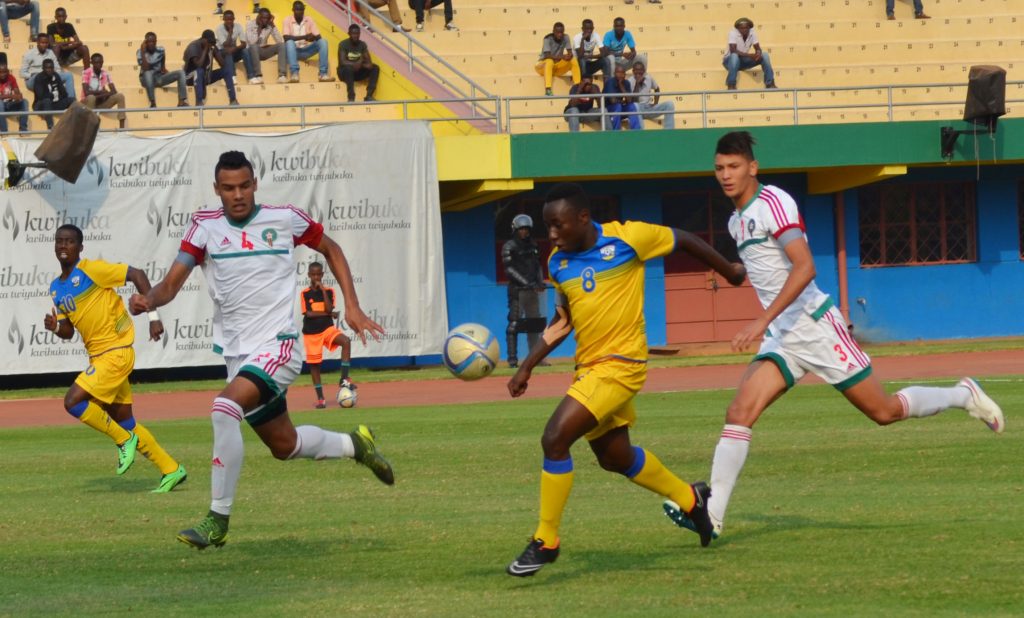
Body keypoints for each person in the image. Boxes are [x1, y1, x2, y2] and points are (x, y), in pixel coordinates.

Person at [668, 131, 1005, 542]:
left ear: (752, 168)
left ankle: (962, 394)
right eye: (719, 168)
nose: (726, 175)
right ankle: (712, 516)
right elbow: (755, 272)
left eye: (734, 167)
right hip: (784, 336)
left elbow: (805, 267)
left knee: (884, 412)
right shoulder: (735, 220)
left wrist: (760, 322)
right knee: (739, 413)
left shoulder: (774, 202)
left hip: (815, 327)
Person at [129, 151, 394, 549]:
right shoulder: (204, 227)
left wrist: (351, 305)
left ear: (255, 183)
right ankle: (356, 445)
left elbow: (332, 249)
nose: (238, 195)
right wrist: (150, 300)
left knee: (223, 409)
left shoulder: (285, 218)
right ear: (216, 190)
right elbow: (171, 284)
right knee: (284, 446)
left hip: (281, 345)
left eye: (244, 186)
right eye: (229, 188)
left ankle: (217, 520)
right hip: (239, 355)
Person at [505, 183, 747, 577]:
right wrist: (527, 365)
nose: (551, 234)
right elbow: (563, 321)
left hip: (621, 365)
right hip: (590, 368)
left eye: (557, 225)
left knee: (554, 439)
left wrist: (731, 271)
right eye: (547, 226)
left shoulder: (627, 237)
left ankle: (546, 540)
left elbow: (683, 239)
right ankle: (691, 500)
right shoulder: (558, 263)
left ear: (582, 218)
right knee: (614, 457)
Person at [45, 225, 188, 493]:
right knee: (126, 421)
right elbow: (68, 332)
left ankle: (124, 442)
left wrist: (153, 317)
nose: (63, 246)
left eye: (70, 242)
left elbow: (137, 274)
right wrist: (54, 326)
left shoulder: (91, 270)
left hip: (116, 352)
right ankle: (171, 468)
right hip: (100, 356)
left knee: (72, 401)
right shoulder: (56, 288)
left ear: (80, 248)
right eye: (59, 241)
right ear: (54, 246)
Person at [300, 262, 355, 409]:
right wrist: (330, 314)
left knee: (346, 341)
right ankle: (321, 399)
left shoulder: (329, 291)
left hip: (327, 329)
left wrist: (323, 290)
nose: (316, 277)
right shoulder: (305, 293)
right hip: (311, 333)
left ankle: (344, 378)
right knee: (314, 366)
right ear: (309, 275)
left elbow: (329, 307)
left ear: (322, 275)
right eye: (313, 274)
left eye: (319, 274)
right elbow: (309, 314)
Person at [501, 214, 545, 368]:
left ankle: (535, 358)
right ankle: (512, 360)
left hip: (532, 291)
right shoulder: (509, 246)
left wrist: (539, 281)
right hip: (517, 290)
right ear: (515, 229)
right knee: (514, 324)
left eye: (526, 229)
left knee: (535, 324)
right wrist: (526, 283)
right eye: (521, 229)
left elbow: (538, 265)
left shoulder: (533, 245)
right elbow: (509, 269)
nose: (524, 232)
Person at [183, 29, 239, 106]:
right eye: (209, 42)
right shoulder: (193, 46)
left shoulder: (211, 47)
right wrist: (206, 49)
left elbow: (223, 64)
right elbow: (198, 65)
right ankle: (199, 102)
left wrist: (216, 51)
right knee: (199, 71)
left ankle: (233, 100)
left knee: (227, 70)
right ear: (203, 39)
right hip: (191, 79)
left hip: (205, 77)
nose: (210, 44)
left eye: (212, 42)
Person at [282, 1, 333, 83]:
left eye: (301, 9)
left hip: (307, 50)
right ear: (293, 10)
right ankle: (294, 74)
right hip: (294, 51)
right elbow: (286, 38)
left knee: (323, 42)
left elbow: (319, 37)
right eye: (297, 9)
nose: (299, 12)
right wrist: (305, 37)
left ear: (304, 10)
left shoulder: (309, 19)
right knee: (289, 43)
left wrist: (312, 38)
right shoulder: (287, 20)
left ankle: (323, 74)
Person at [138, 32, 189, 108]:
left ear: (156, 41)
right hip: (146, 80)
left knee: (181, 72)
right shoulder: (140, 52)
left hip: (159, 78)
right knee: (148, 73)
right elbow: (146, 68)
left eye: (153, 41)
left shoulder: (161, 50)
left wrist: (169, 75)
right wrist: (143, 51)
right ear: (145, 42)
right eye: (149, 42)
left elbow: (163, 68)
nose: (151, 43)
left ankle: (181, 101)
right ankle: (152, 102)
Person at [722, 18, 775, 90]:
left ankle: (770, 83)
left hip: (743, 61)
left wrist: (758, 53)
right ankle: (731, 84)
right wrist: (750, 55)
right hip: (729, 62)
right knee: (734, 56)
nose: (744, 30)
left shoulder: (752, 33)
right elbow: (733, 50)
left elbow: (758, 48)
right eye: (742, 28)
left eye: (746, 28)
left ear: (749, 28)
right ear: (738, 28)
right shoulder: (733, 33)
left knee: (764, 55)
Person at [19, 33, 75, 98]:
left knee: (68, 75)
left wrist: (55, 76)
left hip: (49, 77)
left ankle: (71, 100)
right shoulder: (29, 54)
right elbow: (22, 73)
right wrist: (31, 75)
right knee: (39, 76)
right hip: (34, 79)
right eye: (42, 43)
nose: (44, 45)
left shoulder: (50, 53)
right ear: (37, 42)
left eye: (46, 43)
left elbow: (57, 68)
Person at [81, 53, 126, 129]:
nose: (98, 65)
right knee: (91, 97)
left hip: (101, 102)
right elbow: (86, 92)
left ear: (102, 62)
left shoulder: (105, 73)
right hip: (87, 103)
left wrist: (103, 95)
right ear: (92, 63)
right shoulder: (86, 72)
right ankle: (91, 129)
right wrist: (102, 92)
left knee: (120, 96)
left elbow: (114, 91)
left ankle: (122, 129)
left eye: (100, 62)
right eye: (96, 63)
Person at [535, 22, 579, 97]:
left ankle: (578, 86)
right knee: (549, 61)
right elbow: (547, 55)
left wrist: (569, 56)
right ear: (553, 32)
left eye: (561, 32)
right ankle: (548, 89)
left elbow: (570, 52)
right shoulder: (547, 39)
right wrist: (562, 57)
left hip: (556, 68)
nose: (560, 34)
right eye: (557, 32)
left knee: (573, 60)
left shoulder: (566, 37)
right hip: (542, 66)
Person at [336, 23, 379, 102]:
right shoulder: (343, 44)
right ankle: (351, 97)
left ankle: (369, 95)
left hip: (357, 71)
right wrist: (356, 64)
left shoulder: (362, 45)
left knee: (375, 68)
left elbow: (369, 64)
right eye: (353, 33)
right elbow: (342, 62)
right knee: (348, 69)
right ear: (349, 34)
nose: (355, 36)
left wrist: (360, 64)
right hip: (344, 73)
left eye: (357, 33)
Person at [245, 8, 288, 84]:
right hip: (252, 52)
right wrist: (259, 29)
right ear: (259, 17)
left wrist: (273, 25)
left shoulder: (269, 25)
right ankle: (258, 75)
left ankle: (282, 75)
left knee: (282, 45)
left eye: (267, 18)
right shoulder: (250, 24)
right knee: (254, 47)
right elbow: (252, 42)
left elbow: (280, 40)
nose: (265, 20)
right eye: (263, 18)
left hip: (264, 51)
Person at [627, 61, 674, 130]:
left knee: (669, 104)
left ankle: (669, 131)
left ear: (644, 71)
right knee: (635, 105)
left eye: (640, 71)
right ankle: (640, 132)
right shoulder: (630, 81)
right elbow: (632, 101)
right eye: (636, 70)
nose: (638, 73)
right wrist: (637, 84)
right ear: (633, 71)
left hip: (649, 108)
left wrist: (655, 103)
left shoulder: (648, 78)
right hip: (638, 109)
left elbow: (657, 89)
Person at [216, 9, 257, 84]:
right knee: (228, 52)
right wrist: (230, 32)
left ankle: (251, 77)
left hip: (233, 51)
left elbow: (244, 44)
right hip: (222, 54)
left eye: (231, 19)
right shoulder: (219, 29)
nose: (229, 21)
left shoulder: (238, 26)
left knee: (245, 50)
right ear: (223, 19)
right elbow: (225, 45)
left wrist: (234, 48)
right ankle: (232, 76)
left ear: (234, 19)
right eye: (227, 19)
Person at [31, 58, 72, 129]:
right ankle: (50, 127)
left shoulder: (56, 76)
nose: (49, 70)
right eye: (47, 68)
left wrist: (57, 96)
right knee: (47, 101)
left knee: (72, 100)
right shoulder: (39, 78)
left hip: (54, 103)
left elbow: (64, 93)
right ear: (43, 68)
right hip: (40, 106)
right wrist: (54, 94)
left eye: (51, 68)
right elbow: (41, 96)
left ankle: (73, 125)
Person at [601, 64, 640, 131]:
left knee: (632, 106)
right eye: (618, 72)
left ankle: (636, 130)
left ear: (625, 74)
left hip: (619, 108)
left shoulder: (626, 83)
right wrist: (622, 102)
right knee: (617, 106)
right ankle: (616, 131)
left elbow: (629, 100)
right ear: (614, 73)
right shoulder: (610, 82)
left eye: (622, 73)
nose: (620, 75)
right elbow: (613, 101)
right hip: (608, 109)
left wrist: (621, 87)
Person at [0, 63, 28, 134]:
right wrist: (11, 96)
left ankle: (23, 130)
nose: (2, 74)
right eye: (0, 72)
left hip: (9, 104)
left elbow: (17, 92)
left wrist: (18, 96)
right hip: (1, 106)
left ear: (8, 71)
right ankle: (4, 131)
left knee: (25, 102)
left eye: (4, 72)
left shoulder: (11, 77)